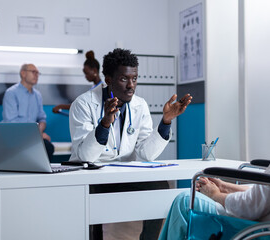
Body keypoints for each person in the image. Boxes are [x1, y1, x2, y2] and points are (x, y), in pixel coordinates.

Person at [158, 79, 270, 240]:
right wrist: (225, 186)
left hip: (261, 230)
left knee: (185, 201)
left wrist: (216, 195)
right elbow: (268, 193)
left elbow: (251, 207)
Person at [69, 48, 192, 240]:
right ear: (108, 80)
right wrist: (105, 124)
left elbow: (146, 154)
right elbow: (85, 156)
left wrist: (166, 122)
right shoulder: (83, 104)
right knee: (90, 210)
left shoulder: (139, 105)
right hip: (91, 175)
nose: (131, 86)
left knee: (159, 186)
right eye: (124, 79)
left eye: (134, 79)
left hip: (123, 174)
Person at [2, 63, 55, 160]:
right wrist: (35, 135)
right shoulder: (11, 93)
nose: (36, 75)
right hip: (15, 137)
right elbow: (11, 122)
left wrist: (38, 133)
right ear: (23, 73)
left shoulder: (37, 95)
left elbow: (42, 118)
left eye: (38, 73)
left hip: (32, 137)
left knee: (48, 147)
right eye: (33, 72)